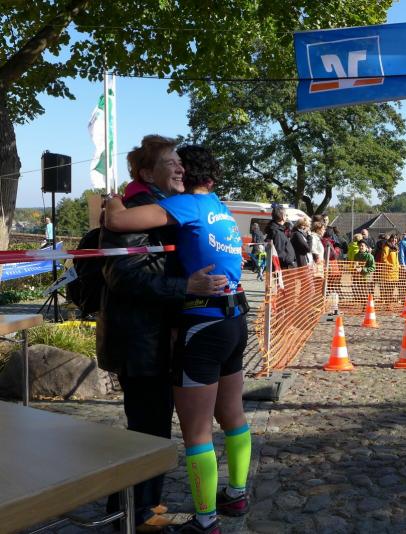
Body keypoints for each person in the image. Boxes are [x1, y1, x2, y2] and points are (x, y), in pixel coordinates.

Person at [105, 145, 252, 534]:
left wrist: (111, 197)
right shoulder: (221, 207)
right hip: (235, 319)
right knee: (233, 415)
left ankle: (205, 521)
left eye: (177, 165)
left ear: (186, 174)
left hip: (202, 324)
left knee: (197, 431)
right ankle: (237, 494)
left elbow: (117, 221)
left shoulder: (187, 204)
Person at [378, 234, 400, 304]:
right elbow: (383, 259)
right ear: (390, 239)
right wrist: (390, 265)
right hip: (388, 273)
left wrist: (398, 266)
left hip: (395, 273)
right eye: (393, 238)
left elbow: (396, 260)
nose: (394, 240)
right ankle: (387, 304)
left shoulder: (396, 248)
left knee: (391, 291)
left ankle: (389, 303)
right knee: (387, 290)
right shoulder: (386, 248)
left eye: (396, 239)